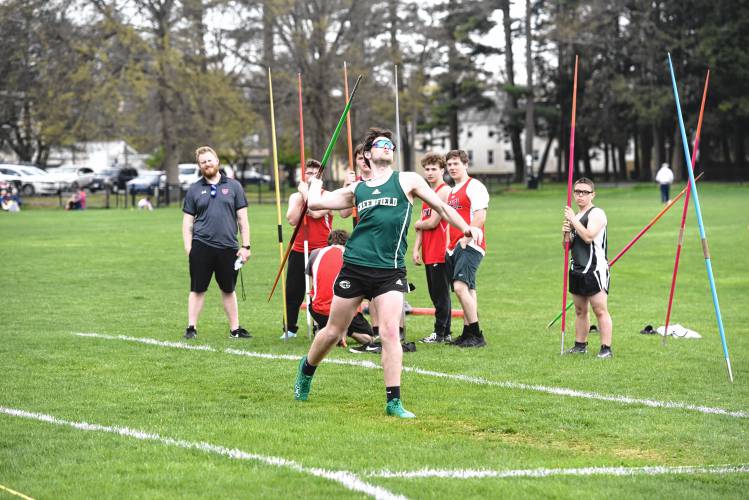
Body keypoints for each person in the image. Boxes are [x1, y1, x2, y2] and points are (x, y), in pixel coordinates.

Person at [293, 127, 483, 418]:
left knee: (391, 332)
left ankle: (393, 401)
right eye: (381, 145)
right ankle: (306, 369)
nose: (387, 148)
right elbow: (316, 204)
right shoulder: (358, 189)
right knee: (333, 331)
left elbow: (443, 208)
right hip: (355, 266)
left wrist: (467, 227)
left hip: (390, 270)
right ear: (368, 154)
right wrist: (312, 184)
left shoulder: (407, 180)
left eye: (390, 145)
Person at [182, 146, 251, 340]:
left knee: (228, 289)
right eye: (203, 162)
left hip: (228, 247)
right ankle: (191, 328)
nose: (207, 164)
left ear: (217, 161)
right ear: (199, 165)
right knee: (197, 288)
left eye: (209, 160)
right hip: (201, 245)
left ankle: (235, 329)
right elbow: (187, 222)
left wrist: (246, 246)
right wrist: (189, 248)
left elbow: (242, 219)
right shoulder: (194, 189)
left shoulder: (234, 186)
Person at [562, 177, 613, 358]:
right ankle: (580, 345)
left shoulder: (597, 213)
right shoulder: (575, 217)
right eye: (577, 192)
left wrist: (573, 222)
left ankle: (606, 349)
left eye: (584, 192)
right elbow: (567, 247)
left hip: (594, 269)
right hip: (576, 268)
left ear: (592, 194)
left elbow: (589, 236)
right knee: (580, 310)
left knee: (599, 310)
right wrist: (566, 233)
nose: (580, 196)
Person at [444, 150, 490, 348]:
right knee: (468, 289)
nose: (452, 167)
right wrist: (449, 244)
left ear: (465, 165)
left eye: (456, 163)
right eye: (450, 164)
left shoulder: (475, 186)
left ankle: (476, 334)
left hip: (471, 245)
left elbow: (480, 217)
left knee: (460, 287)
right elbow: (449, 220)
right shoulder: (453, 191)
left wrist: (466, 238)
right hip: (455, 246)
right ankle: (467, 333)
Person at [283, 159, 333, 339]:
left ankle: (321, 325)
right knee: (293, 290)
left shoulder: (328, 195)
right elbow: (292, 219)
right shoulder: (295, 197)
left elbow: (316, 212)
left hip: (321, 249)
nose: (311, 176)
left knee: (320, 290)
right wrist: (301, 197)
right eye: (308, 173)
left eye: (315, 173)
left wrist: (307, 194)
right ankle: (290, 327)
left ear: (321, 176)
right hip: (299, 248)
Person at [306, 229, 374, 347]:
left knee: (316, 302)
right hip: (345, 311)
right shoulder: (352, 255)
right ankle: (346, 331)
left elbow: (312, 288)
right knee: (369, 338)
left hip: (319, 310)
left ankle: (322, 329)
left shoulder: (315, 253)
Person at [412, 153, 452, 343]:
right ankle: (445, 331)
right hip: (428, 251)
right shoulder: (427, 193)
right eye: (427, 169)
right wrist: (415, 249)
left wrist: (418, 223)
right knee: (435, 293)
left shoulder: (444, 191)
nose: (429, 172)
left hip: (439, 250)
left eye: (433, 169)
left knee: (440, 294)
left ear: (442, 170)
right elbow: (422, 224)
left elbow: (433, 222)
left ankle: (441, 333)